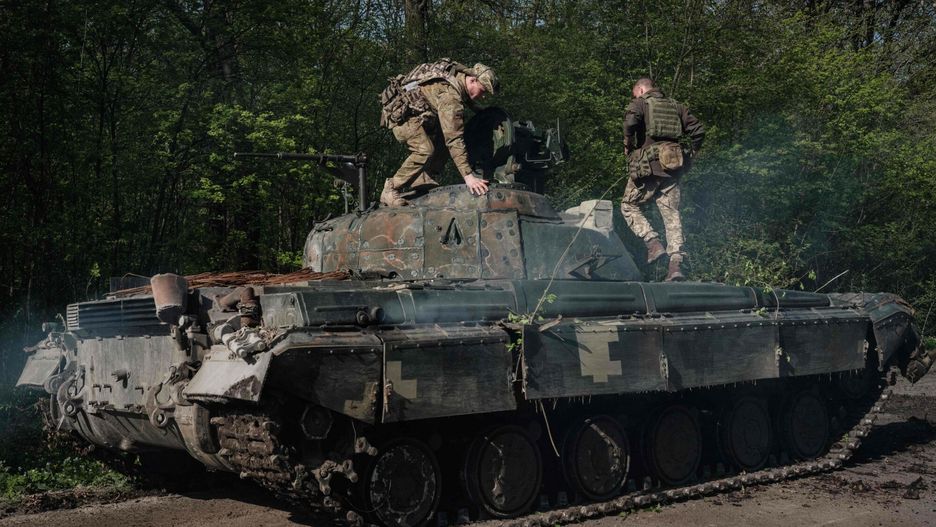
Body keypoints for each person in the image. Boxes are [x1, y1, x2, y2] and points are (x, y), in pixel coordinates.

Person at [379, 59, 499, 207]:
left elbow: (466, 101)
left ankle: (424, 176)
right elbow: (454, 139)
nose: (484, 96)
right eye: (483, 91)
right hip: (402, 116)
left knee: (443, 137)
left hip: (416, 112)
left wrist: (484, 113)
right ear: (473, 80)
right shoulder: (450, 98)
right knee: (424, 150)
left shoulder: (458, 77)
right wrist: (469, 177)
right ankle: (391, 188)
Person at [621, 77, 705, 281]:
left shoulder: (641, 103)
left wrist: (628, 145)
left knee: (628, 205)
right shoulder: (677, 106)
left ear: (640, 90)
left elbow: (630, 123)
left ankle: (653, 243)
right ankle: (675, 266)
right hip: (673, 169)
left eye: (635, 93)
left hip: (648, 168)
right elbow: (699, 131)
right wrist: (691, 154)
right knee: (672, 216)